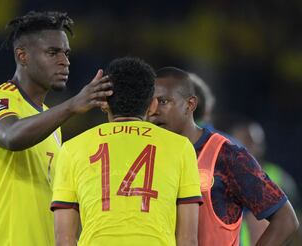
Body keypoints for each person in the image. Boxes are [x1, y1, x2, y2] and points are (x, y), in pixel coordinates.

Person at [0, 11, 112, 246]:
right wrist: (72, 106)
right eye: (52, 52)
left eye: (66, 53)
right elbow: (11, 136)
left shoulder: (51, 125)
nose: (65, 61)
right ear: (23, 56)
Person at [51, 57, 202, 246]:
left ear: (104, 102)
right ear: (153, 105)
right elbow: (188, 239)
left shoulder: (72, 149)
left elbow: (64, 238)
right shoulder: (180, 147)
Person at [148, 67, 299, 246]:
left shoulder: (227, 156)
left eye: (163, 101)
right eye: (149, 104)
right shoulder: (150, 153)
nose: (153, 111)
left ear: (190, 105)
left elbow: (286, 220)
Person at [228, 118, 302, 245]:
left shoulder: (280, 177)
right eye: (241, 141)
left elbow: (296, 220)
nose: (246, 147)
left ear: (261, 146)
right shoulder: (225, 178)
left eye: (252, 142)